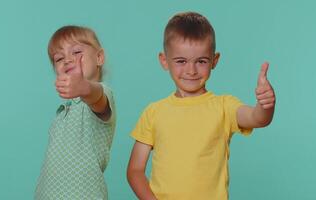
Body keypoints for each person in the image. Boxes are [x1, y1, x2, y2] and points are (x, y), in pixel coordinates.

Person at [127, 12, 275, 200]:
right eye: (181, 61)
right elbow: (135, 170)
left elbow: (257, 118)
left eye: (201, 61)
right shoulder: (154, 112)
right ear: (164, 61)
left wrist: (266, 104)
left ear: (214, 60)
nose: (191, 70)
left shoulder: (224, 106)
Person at [35, 25, 116, 200]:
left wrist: (84, 87)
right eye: (59, 58)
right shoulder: (64, 110)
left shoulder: (101, 94)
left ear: (99, 57)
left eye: (77, 52)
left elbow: (97, 98)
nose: (68, 60)